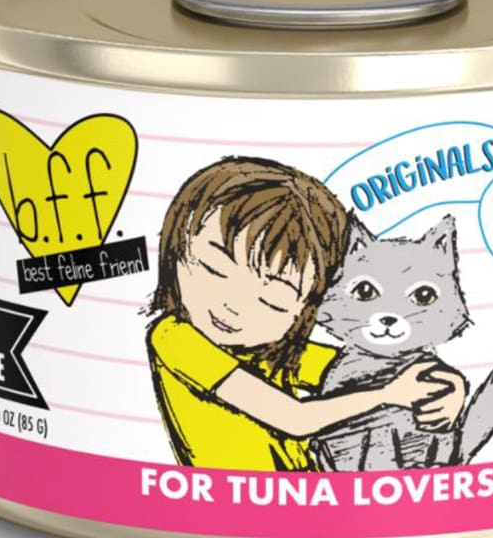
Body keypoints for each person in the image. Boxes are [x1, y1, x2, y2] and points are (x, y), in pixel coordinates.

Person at [145, 156, 466, 470]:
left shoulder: (273, 348)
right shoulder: (175, 337)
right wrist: (389, 394)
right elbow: (293, 418)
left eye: (271, 301)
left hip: (306, 486)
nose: (232, 306)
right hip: (235, 495)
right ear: (177, 250)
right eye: (214, 269)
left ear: (307, 308)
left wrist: (447, 386)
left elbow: (367, 368)